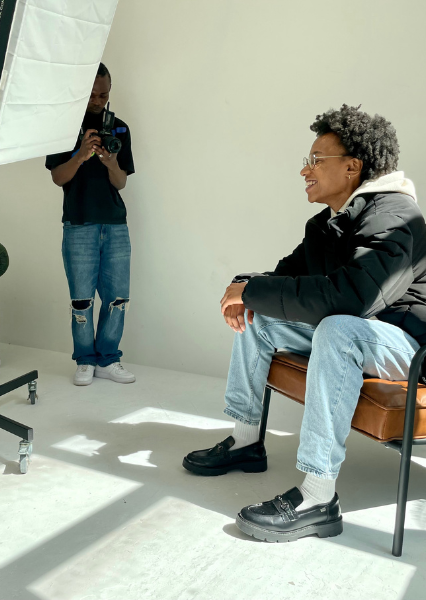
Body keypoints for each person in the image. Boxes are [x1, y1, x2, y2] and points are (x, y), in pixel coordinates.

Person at [183, 105, 426, 542]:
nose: (304, 170)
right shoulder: (330, 222)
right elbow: (286, 277)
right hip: (365, 334)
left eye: (316, 160)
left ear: (352, 167)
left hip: (408, 345)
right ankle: (245, 441)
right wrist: (246, 285)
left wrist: (252, 290)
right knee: (261, 317)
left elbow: (354, 298)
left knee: (336, 327)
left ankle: (318, 496)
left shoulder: (396, 218)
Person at [45, 63, 136, 386]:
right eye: (93, 94)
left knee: (118, 298)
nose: (99, 100)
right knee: (81, 299)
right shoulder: (63, 128)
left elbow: (121, 183)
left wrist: (110, 161)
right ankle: (85, 359)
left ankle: (108, 359)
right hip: (79, 223)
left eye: (104, 94)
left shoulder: (120, 129)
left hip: (114, 223)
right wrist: (82, 154)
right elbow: (58, 177)